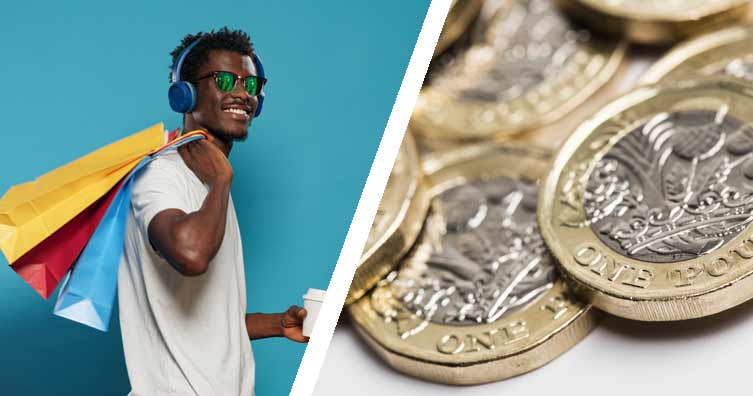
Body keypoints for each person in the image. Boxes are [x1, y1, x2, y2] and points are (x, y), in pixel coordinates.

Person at [117, 27, 307, 396]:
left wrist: (275, 325)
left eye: (251, 85)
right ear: (183, 94)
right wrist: (221, 181)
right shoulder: (161, 174)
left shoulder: (210, 179)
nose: (241, 93)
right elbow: (191, 256)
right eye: (224, 80)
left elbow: (195, 323)